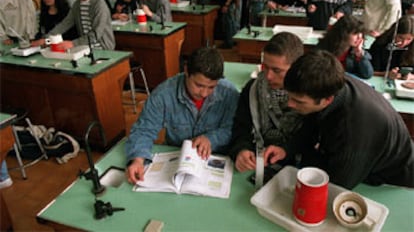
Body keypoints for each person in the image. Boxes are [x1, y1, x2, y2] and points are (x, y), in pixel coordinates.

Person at [265, 50, 414, 189]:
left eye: (298, 101)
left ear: (327, 100)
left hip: (392, 182)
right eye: (289, 96)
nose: (290, 104)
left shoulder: (354, 128)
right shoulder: (328, 83)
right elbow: (311, 123)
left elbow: (338, 185)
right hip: (360, 162)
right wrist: (287, 149)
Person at [125, 47, 239, 183]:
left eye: (211, 87)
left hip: (216, 159)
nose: (204, 93)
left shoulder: (229, 94)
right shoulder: (164, 94)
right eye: (199, 85)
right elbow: (144, 130)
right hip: (177, 159)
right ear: (186, 71)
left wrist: (211, 139)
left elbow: (233, 128)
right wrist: (138, 159)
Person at [229, 32, 304, 172]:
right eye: (265, 67)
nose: (268, 76)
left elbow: (310, 137)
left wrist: (286, 150)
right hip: (257, 163)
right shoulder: (252, 89)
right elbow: (241, 127)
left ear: (295, 69)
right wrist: (241, 150)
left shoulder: (308, 95)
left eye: (277, 70)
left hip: (298, 167)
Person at [33, 0, 115, 50]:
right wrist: (47, 38)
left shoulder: (99, 4)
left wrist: (73, 43)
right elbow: (65, 23)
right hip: (86, 47)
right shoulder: (77, 4)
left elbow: (96, 33)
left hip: (102, 48)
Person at [317, 15, 373, 79]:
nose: (359, 37)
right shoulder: (324, 48)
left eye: (360, 33)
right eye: (355, 33)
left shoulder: (356, 50)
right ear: (343, 34)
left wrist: (360, 54)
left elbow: (367, 74)